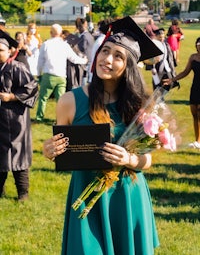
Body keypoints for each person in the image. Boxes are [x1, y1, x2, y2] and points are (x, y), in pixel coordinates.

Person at [43, 16, 161, 254]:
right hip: (86, 197)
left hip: (127, 197)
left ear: (128, 66)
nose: (107, 59)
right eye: (105, 51)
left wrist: (128, 160)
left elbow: (147, 160)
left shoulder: (141, 106)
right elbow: (63, 150)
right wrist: (51, 151)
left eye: (118, 56)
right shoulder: (69, 101)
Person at [0, 30, 38, 201]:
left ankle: (23, 193)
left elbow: (32, 88)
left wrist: (12, 96)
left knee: (18, 156)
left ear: (9, 51)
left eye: (0, 50)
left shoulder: (17, 67)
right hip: (1, 121)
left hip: (16, 120)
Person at [35, 24, 88, 122]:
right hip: (61, 76)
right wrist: (84, 61)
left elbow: (40, 61)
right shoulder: (65, 45)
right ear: (61, 33)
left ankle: (39, 117)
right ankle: (60, 119)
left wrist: (38, 73)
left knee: (43, 98)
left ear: (51, 33)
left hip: (48, 74)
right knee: (61, 100)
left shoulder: (46, 44)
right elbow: (74, 59)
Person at [163, 37, 200, 149]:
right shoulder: (193, 57)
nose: (199, 45)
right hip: (195, 88)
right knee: (194, 114)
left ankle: (199, 141)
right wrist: (172, 80)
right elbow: (185, 72)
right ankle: (197, 141)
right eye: (198, 43)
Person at [75, 18, 95, 85]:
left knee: (83, 78)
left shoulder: (83, 36)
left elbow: (81, 49)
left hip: (85, 61)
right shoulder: (89, 35)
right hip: (90, 59)